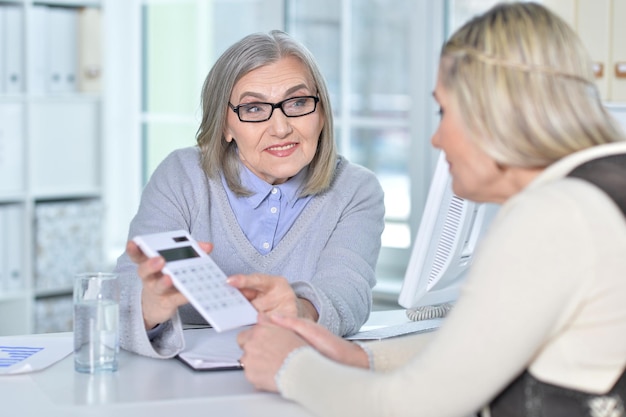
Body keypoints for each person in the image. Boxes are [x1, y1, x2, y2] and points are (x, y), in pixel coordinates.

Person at [236, 3, 626, 416]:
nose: (437, 139)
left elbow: (411, 407)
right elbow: (487, 339)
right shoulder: (598, 190)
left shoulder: (554, 217)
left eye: (444, 111)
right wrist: (366, 359)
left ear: (491, 111)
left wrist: (288, 368)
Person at [114, 30, 385, 358]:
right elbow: (120, 296)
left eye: (298, 103)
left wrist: (300, 311)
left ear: (322, 113)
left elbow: (347, 293)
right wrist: (150, 305)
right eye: (254, 109)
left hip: (293, 378)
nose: (282, 127)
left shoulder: (355, 189)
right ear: (225, 125)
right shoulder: (182, 176)